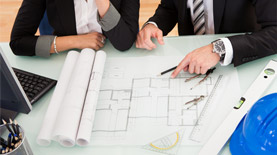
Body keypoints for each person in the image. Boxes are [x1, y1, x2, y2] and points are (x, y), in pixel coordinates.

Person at [136, 0, 277, 77]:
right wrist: (153, 24)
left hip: (239, 62)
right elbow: (170, 7)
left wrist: (218, 49)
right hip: (191, 62)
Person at [10, 0, 139, 57]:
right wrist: (76, 41)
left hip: (113, 58)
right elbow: (18, 42)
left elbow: (124, 42)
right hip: (67, 58)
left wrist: (102, 2)